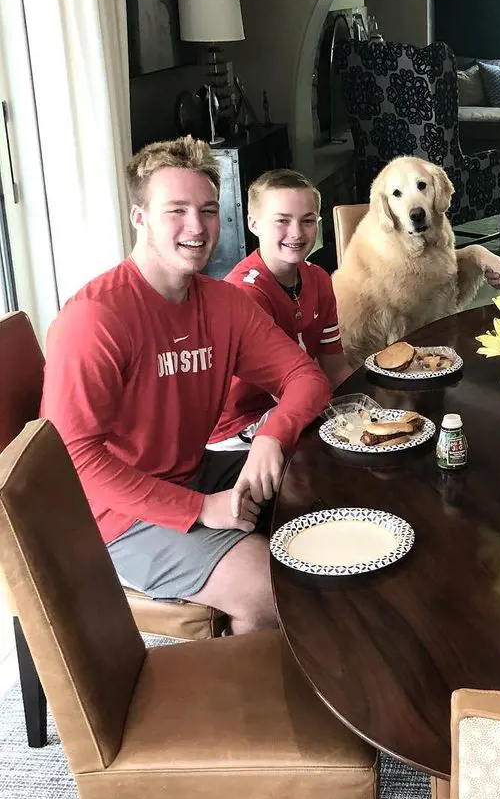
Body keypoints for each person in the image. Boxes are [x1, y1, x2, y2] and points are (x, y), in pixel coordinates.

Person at [41, 137, 333, 634]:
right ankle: (255, 706)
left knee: (328, 481)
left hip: (190, 472)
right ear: (139, 217)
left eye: (208, 210)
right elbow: (75, 460)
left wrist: (271, 435)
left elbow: (307, 378)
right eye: (176, 210)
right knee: (268, 586)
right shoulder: (96, 318)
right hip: (110, 517)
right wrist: (201, 509)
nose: (196, 228)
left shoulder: (224, 304)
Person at [209, 169, 350, 449]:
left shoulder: (319, 278)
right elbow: (287, 394)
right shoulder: (246, 293)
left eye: (307, 221)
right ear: (254, 223)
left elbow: (336, 368)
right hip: (240, 427)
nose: (296, 233)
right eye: (282, 221)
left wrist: (373, 408)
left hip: (297, 404)